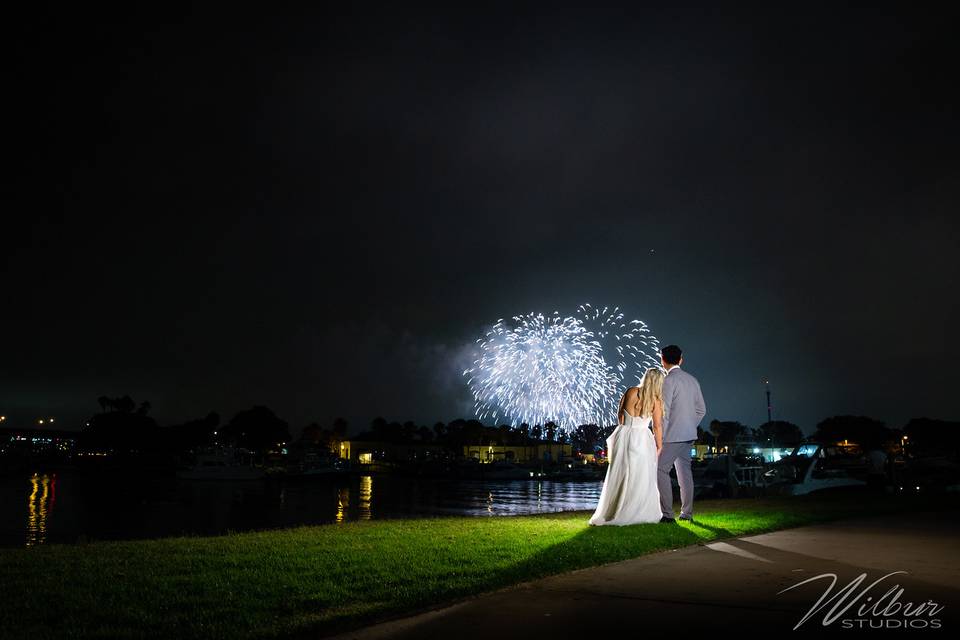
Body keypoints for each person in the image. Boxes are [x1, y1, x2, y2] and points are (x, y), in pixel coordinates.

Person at [589, 368, 664, 525]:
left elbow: (620, 414)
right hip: (642, 437)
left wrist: (626, 427)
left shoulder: (631, 391)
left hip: (624, 434)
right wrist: (659, 445)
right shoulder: (655, 401)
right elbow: (657, 426)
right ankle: (637, 510)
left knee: (621, 473)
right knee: (641, 475)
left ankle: (614, 509)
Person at [657, 344, 706, 523]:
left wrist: (660, 437)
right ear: (681, 359)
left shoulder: (668, 381)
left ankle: (668, 514)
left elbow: (665, 411)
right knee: (684, 473)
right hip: (689, 435)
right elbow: (701, 410)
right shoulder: (692, 380)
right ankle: (687, 513)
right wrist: (689, 425)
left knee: (660, 469)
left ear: (663, 360)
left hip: (673, 436)